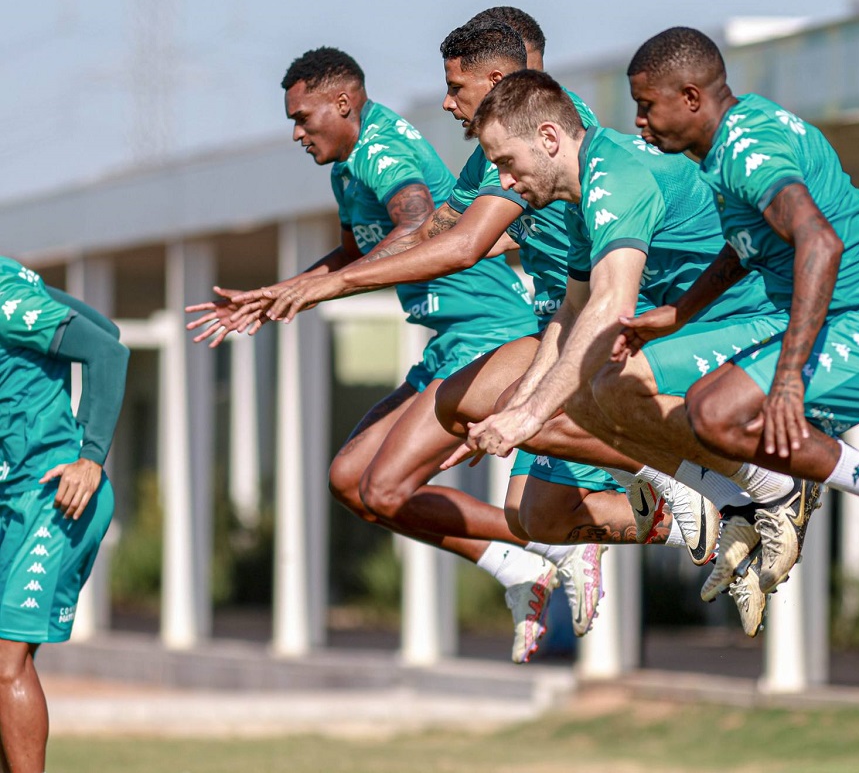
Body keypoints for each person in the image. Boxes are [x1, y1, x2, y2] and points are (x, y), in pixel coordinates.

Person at [237, 15, 718, 569]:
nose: (445, 102)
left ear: (495, 84)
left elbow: (463, 245)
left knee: (463, 429)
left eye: (454, 87)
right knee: (533, 516)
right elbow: (437, 231)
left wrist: (335, 285)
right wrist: (299, 287)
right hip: (561, 321)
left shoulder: (536, 141)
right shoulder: (486, 159)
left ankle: (693, 479)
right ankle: (697, 515)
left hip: (610, 325)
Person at [184, 45, 599, 664]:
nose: (297, 132)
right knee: (350, 482)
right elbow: (354, 253)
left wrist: (319, 289)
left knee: (385, 488)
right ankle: (517, 565)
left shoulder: (383, 151)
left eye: (303, 117)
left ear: (344, 103)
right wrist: (284, 291)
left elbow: (417, 222)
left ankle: (557, 544)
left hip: (489, 335)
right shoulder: (346, 169)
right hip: (446, 343)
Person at [459, 69, 830, 635]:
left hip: (760, 324)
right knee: (538, 469)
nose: (504, 182)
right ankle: (727, 497)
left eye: (507, 163)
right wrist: (521, 411)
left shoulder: (613, 177)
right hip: (697, 328)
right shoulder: (582, 191)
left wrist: (528, 414)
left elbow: (608, 307)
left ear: (551, 138)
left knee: (592, 388)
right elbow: (574, 311)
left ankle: (767, 487)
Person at [621, 27, 859, 599]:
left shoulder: (748, 149)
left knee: (722, 415)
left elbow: (819, 243)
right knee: (705, 408)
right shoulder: (731, 145)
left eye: (647, 106)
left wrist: (790, 378)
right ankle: (773, 493)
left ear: (692, 97)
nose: (639, 122)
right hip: (854, 318)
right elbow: (746, 247)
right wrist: (680, 312)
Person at [0, 256, 129, 773]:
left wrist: (90, 456)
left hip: (56, 495)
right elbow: (106, 325)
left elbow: (107, 350)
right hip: (14, 500)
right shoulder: (17, 287)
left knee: (5, 662)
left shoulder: (4, 297)